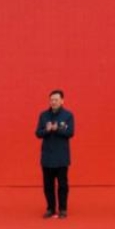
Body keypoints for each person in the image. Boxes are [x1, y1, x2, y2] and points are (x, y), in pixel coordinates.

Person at [35, 89, 75, 219]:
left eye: (56, 100)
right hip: (47, 157)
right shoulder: (43, 115)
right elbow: (38, 133)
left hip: (61, 157)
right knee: (48, 185)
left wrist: (57, 129)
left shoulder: (68, 115)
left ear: (62, 101)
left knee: (62, 185)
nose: (53, 102)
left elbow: (70, 133)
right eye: (52, 100)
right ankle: (50, 208)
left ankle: (63, 209)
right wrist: (46, 130)